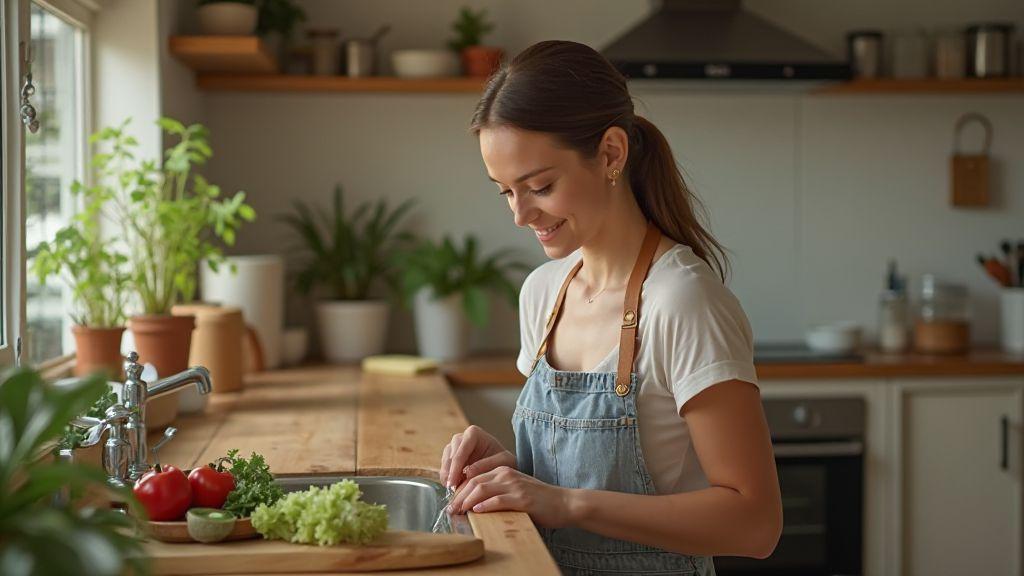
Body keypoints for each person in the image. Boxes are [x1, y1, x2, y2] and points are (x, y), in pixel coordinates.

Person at [439, 40, 782, 575]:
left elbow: (755, 524)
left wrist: (567, 503)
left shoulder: (683, 303)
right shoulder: (542, 293)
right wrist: (510, 468)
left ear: (611, 154)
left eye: (539, 187)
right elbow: (568, 488)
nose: (520, 215)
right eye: (505, 192)